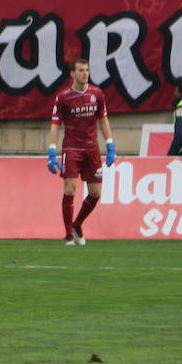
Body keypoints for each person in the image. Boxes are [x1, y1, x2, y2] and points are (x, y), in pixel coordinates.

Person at [46, 58, 116, 245]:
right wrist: (52, 151)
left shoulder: (97, 93)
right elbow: (55, 125)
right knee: (70, 187)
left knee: (95, 193)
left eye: (87, 70)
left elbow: (103, 120)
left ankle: (78, 224)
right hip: (72, 147)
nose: (85, 73)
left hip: (91, 148)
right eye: (81, 70)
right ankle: (68, 234)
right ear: (72, 73)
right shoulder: (63, 97)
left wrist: (110, 144)